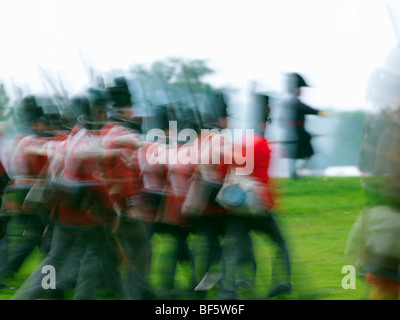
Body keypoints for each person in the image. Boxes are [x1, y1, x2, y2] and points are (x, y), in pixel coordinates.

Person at [215, 93, 292, 300]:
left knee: (232, 250)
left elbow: (222, 171)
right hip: (258, 205)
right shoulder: (265, 145)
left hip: (235, 204)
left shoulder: (238, 144)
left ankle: (227, 291)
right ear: (263, 123)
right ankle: (282, 281)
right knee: (280, 243)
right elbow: (265, 180)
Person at [345, 45, 400, 300]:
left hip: (382, 216)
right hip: (392, 219)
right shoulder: (393, 116)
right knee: (385, 290)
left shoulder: (383, 112)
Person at [280, 73, 327, 179]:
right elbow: (308, 109)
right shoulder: (294, 102)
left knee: (294, 156)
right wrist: (321, 113)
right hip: (298, 133)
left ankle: (293, 173)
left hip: (291, 132)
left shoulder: (286, 103)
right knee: (305, 154)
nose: (301, 91)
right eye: (299, 88)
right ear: (295, 89)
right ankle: (293, 172)